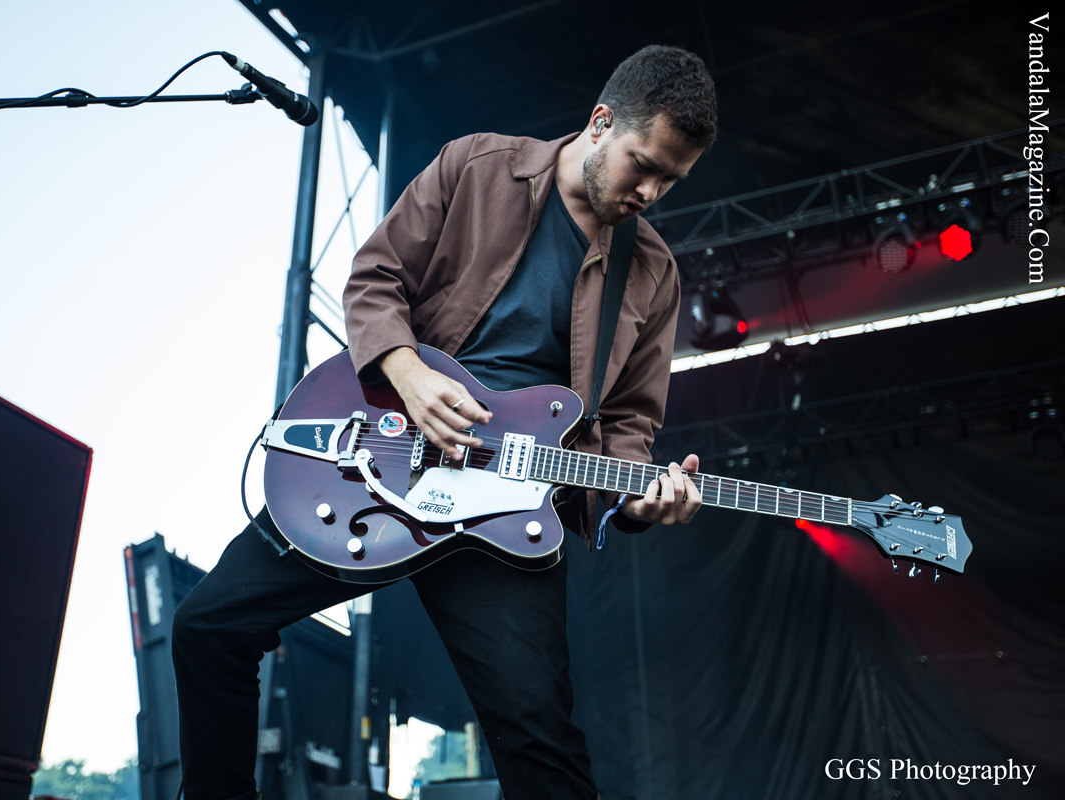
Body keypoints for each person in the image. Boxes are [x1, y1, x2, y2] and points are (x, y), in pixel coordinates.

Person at [172, 44, 717, 800]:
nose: (651, 192)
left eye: (671, 181)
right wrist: (409, 374)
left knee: (540, 740)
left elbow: (627, 423)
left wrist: (637, 500)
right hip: (382, 460)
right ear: (601, 123)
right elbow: (375, 278)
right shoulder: (477, 167)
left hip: (509, 513)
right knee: (208, 628)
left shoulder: (652, 271)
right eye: (645, 165)